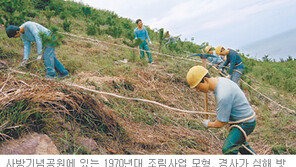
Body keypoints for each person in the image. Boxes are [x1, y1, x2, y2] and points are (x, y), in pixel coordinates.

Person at [186, 65, 256, 154]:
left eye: (197, 87)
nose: (197, 90)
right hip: (245, 119)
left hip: (245, 123)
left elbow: (220, 123)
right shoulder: (221, 81)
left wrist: (208, 124)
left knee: (228, 149)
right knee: (240, 145)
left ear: (206, 80)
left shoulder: (223, 94)